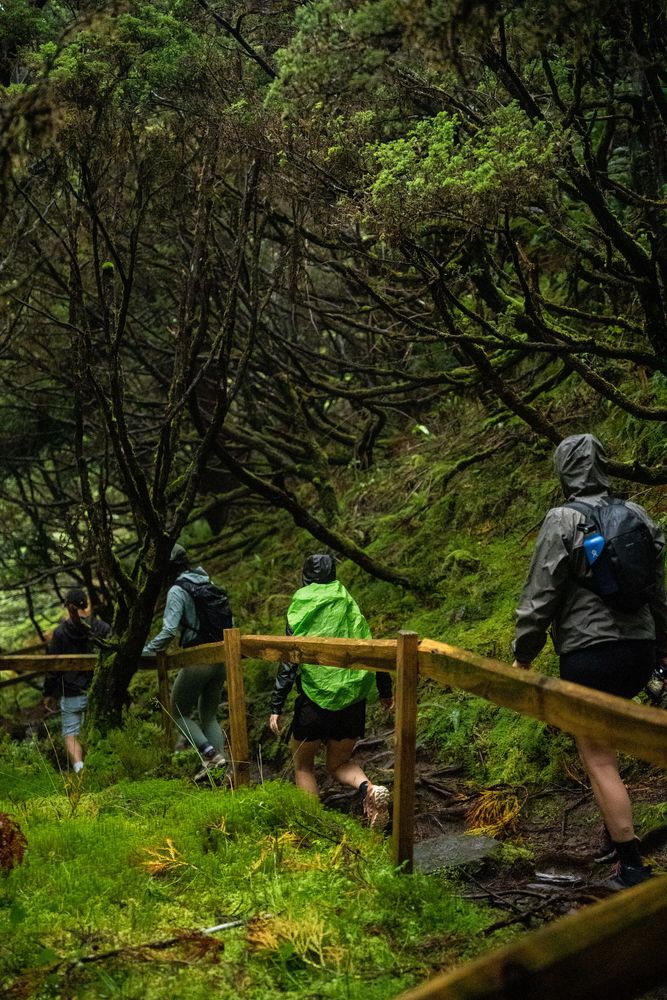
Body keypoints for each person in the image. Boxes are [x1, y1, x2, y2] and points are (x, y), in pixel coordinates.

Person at [512, 433, 667, 890]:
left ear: (564, 471)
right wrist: (662, 644)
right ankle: (612, 828)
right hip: (639, 648)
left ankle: (631, 864)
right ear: (603, 464)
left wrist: (524, 653)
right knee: (621, 742)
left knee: (599, 756)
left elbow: (540, 595)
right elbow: (656, 587)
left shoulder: (563, 520)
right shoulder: (637, 514)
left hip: (588, 654)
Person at [269, 554, 394, 828]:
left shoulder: (300, 604)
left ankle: (316, 826)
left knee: (303, 766)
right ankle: (368, 790)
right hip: (351, 702)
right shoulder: (348, 602)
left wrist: (276, 705)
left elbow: (291, 657)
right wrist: (386, 691)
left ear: (306, 575)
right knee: (339, 764)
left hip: (314, 702)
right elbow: (370, 646)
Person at [143, 544, 230, 782]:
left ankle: (210, 755)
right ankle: (219, 770)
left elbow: (170, 628)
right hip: (222, 656)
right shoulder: (207, 583)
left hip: (197, 658)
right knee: (209, 715)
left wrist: (146, 651)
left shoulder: (177, 590)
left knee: (178, 711)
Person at [44, 587, 112, 775]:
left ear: (69, 607)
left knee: (71, 733)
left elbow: (53, 666)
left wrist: (48, 693)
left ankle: (80, 769)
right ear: (87, 605)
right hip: (98, 690)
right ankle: (102, 768)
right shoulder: (102, 628)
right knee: (97, 730)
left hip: (72, 693)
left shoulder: (60, 633)